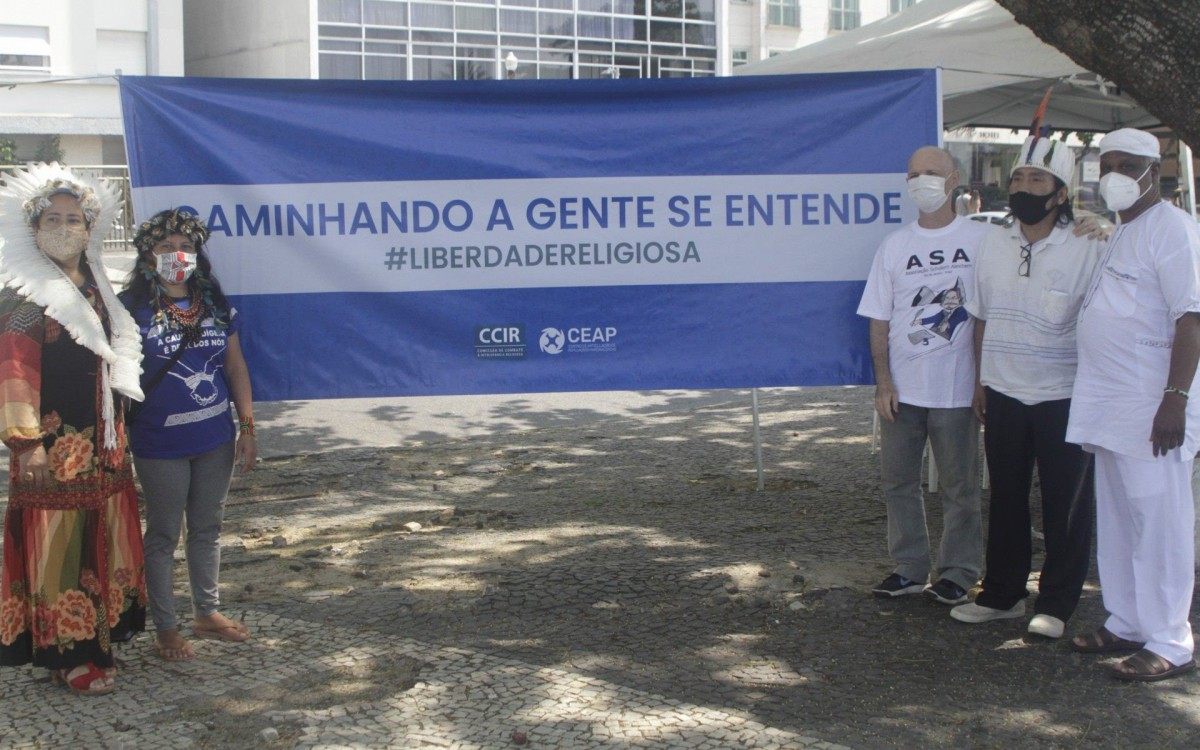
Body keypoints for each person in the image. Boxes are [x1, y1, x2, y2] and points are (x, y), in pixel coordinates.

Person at [0, 164, 146, 695]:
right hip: (53, 448)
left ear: (90, 229)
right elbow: (13, 376)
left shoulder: (98, 290)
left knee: (98, 539)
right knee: (59, 547)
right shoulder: (24, 299)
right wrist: (27, 446)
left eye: (76, 218)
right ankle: (69, 655)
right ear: (34, 229)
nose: (66, 227)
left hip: (103, 446)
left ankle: (97, 640)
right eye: (54, 218)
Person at [950, 134, 1101, 639]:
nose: (1023, 187)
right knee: (1007, 496)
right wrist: (980, 382)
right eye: (1017, 178)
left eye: (1037, 179)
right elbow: (980, 318)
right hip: (1005, 390)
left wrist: (1104, 227)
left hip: (1066, 393)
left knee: (1066, 503)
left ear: (1061, 192)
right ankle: (1003, 593)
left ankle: (1057, 603)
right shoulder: (992, 241)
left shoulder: (1089, 244)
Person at [1067, 128, 1200, 681]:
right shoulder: (1126, 229)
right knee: (1119, 516)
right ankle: (1126, 620)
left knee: (1159, 518)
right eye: (1107, 164)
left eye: (1128, 164)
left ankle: (1171, 639)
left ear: (1157, 168)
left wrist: (1174, 400)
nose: (1115, 174)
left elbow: (1191, 317)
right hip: (1110, 401)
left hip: (1152, 404)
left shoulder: (1173, 229)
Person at [120, 208, 257, 662]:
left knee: (207, 528)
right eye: (165, 247)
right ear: (147, 253)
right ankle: (165, 628)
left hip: (215, 439)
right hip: (159, 444)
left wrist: (247, 425)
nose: (177, 254)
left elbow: (235, 367)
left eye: (186, 246)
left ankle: (207, 613)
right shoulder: (129, 309)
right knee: (162, 534)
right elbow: (117, 378)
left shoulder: (215, 302)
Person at [858, 146, 988, 604]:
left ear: (954, 179)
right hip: (903, 393)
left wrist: (981, 382)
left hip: (956, 391)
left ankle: (958, 571)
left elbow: (987, 316)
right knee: (898, 483)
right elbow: (878, 317)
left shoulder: (980, 240)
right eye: (913, 173)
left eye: (931, 172)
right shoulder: (895, 245)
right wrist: (884, 382)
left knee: (960, 488)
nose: (920, 181)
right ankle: (909, 567)